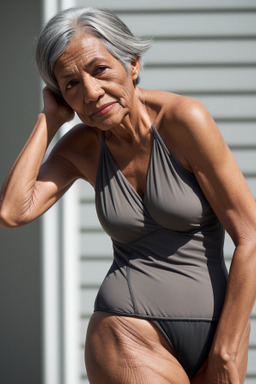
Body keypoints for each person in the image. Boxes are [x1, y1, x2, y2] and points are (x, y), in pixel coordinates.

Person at [0, 7, 255, 384]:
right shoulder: (80, 148)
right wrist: (48, 121)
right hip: (127, 332)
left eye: (99, 69)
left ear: (132, 64)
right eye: (70, 84)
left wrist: (227, 351)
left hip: (218, 336)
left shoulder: (184, 121)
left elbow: (250, 237)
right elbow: (12, 211)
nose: (90, 92)